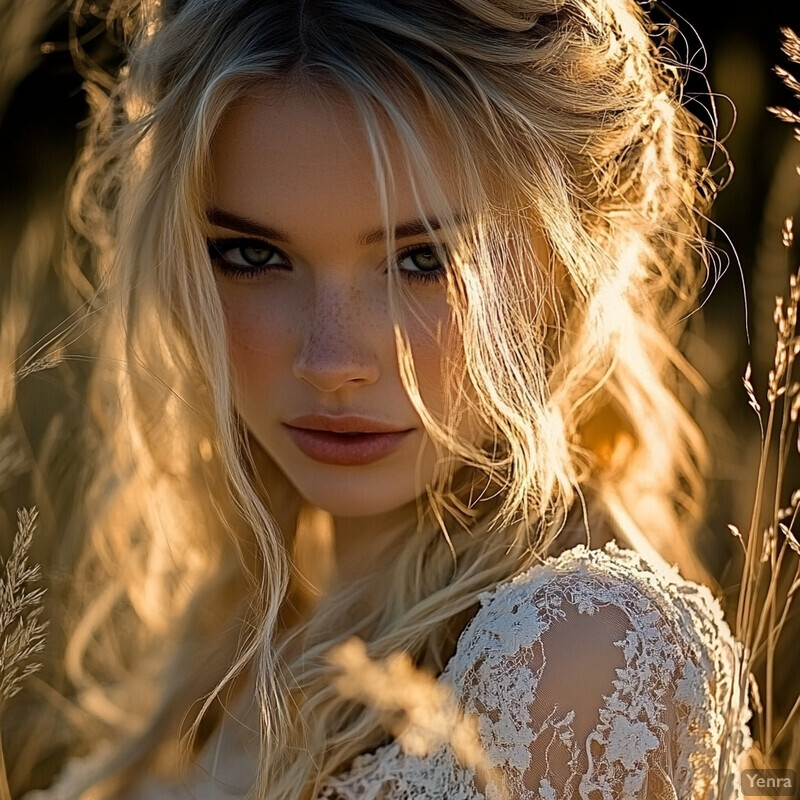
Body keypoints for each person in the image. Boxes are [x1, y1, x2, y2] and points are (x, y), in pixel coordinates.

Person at [15, 0, 753, 797]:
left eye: (423, 260)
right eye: (253, 255)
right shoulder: (241, 640)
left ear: (566, 267)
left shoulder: (583, 653)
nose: (332, 363)